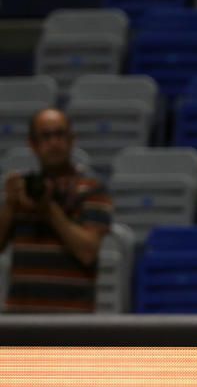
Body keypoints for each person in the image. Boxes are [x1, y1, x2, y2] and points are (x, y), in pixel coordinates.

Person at [0, 108, 113, 312]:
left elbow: (87, 252)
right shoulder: (23, 191)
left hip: (70, 323)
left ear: (71, 139)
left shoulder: (91, 189)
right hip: (20, 321)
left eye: (60, 134)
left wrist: (49, 209)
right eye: (45, 136)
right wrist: (9, 205)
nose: (54, 142)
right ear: (32, 144)